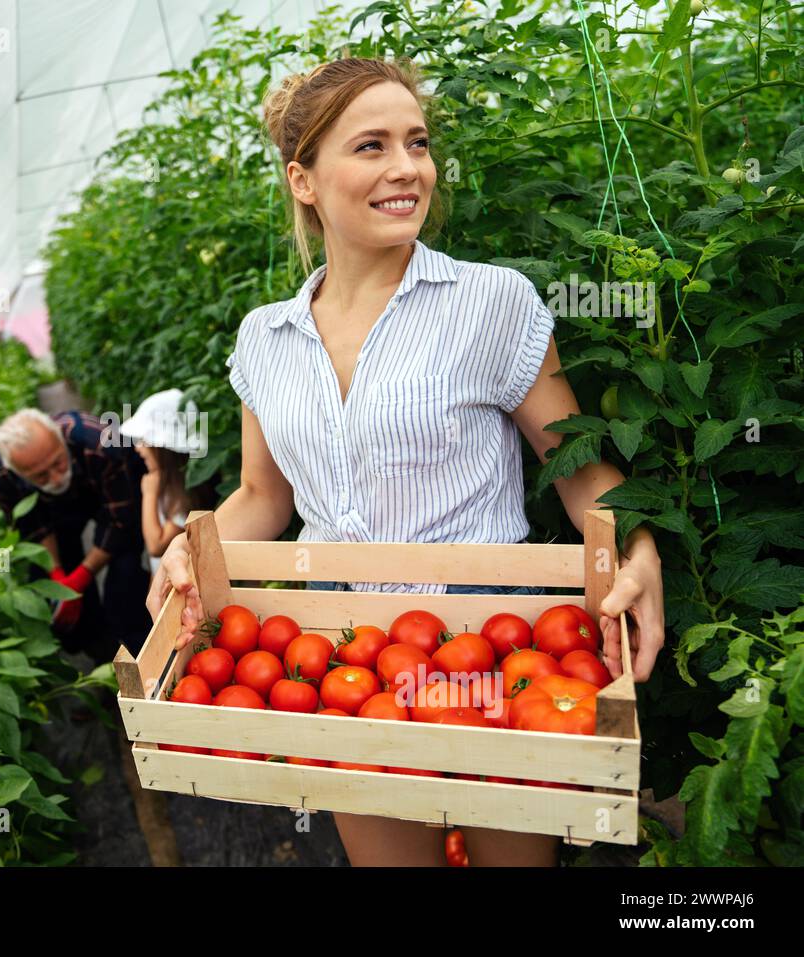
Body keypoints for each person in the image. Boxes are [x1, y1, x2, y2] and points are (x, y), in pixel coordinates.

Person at [145, 56, 666, 867]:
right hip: (344, 660)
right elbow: (261, 497)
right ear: (303, 180)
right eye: (371, 146)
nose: (407, 168)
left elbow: (580, 466)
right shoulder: (265, 338)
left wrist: (636, 546)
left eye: (417, 143)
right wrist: (189, 541)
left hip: (492, 649)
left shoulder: (491, 303)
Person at [0, 407, 152, 662]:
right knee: (62, 602)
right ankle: (106, 662)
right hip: (56, 509)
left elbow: (120, 521)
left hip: (112, 492)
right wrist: (58, 577)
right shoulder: (1, 478)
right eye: (41, 475)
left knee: (125, 582)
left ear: (60, 440)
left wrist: (80, 577)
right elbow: (37, 527)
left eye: (58, 462)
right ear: (18, 473)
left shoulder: (99, 443)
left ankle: (145, 653)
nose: (55, 478)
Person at [118, 388, 218, 576]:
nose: (138, 448)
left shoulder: (185, 497)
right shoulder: (168, 486)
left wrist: (149, 495)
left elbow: (156, 546)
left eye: (144, 440)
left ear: (166, 448)